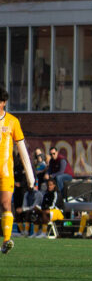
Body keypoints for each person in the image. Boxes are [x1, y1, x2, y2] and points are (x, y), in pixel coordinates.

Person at [0, 87, 36, 254]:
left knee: (6, 203)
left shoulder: (13, 122)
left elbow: (22, 150)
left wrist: (30, 175)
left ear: (4, 102)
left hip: (5, 172)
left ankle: (6, 241)